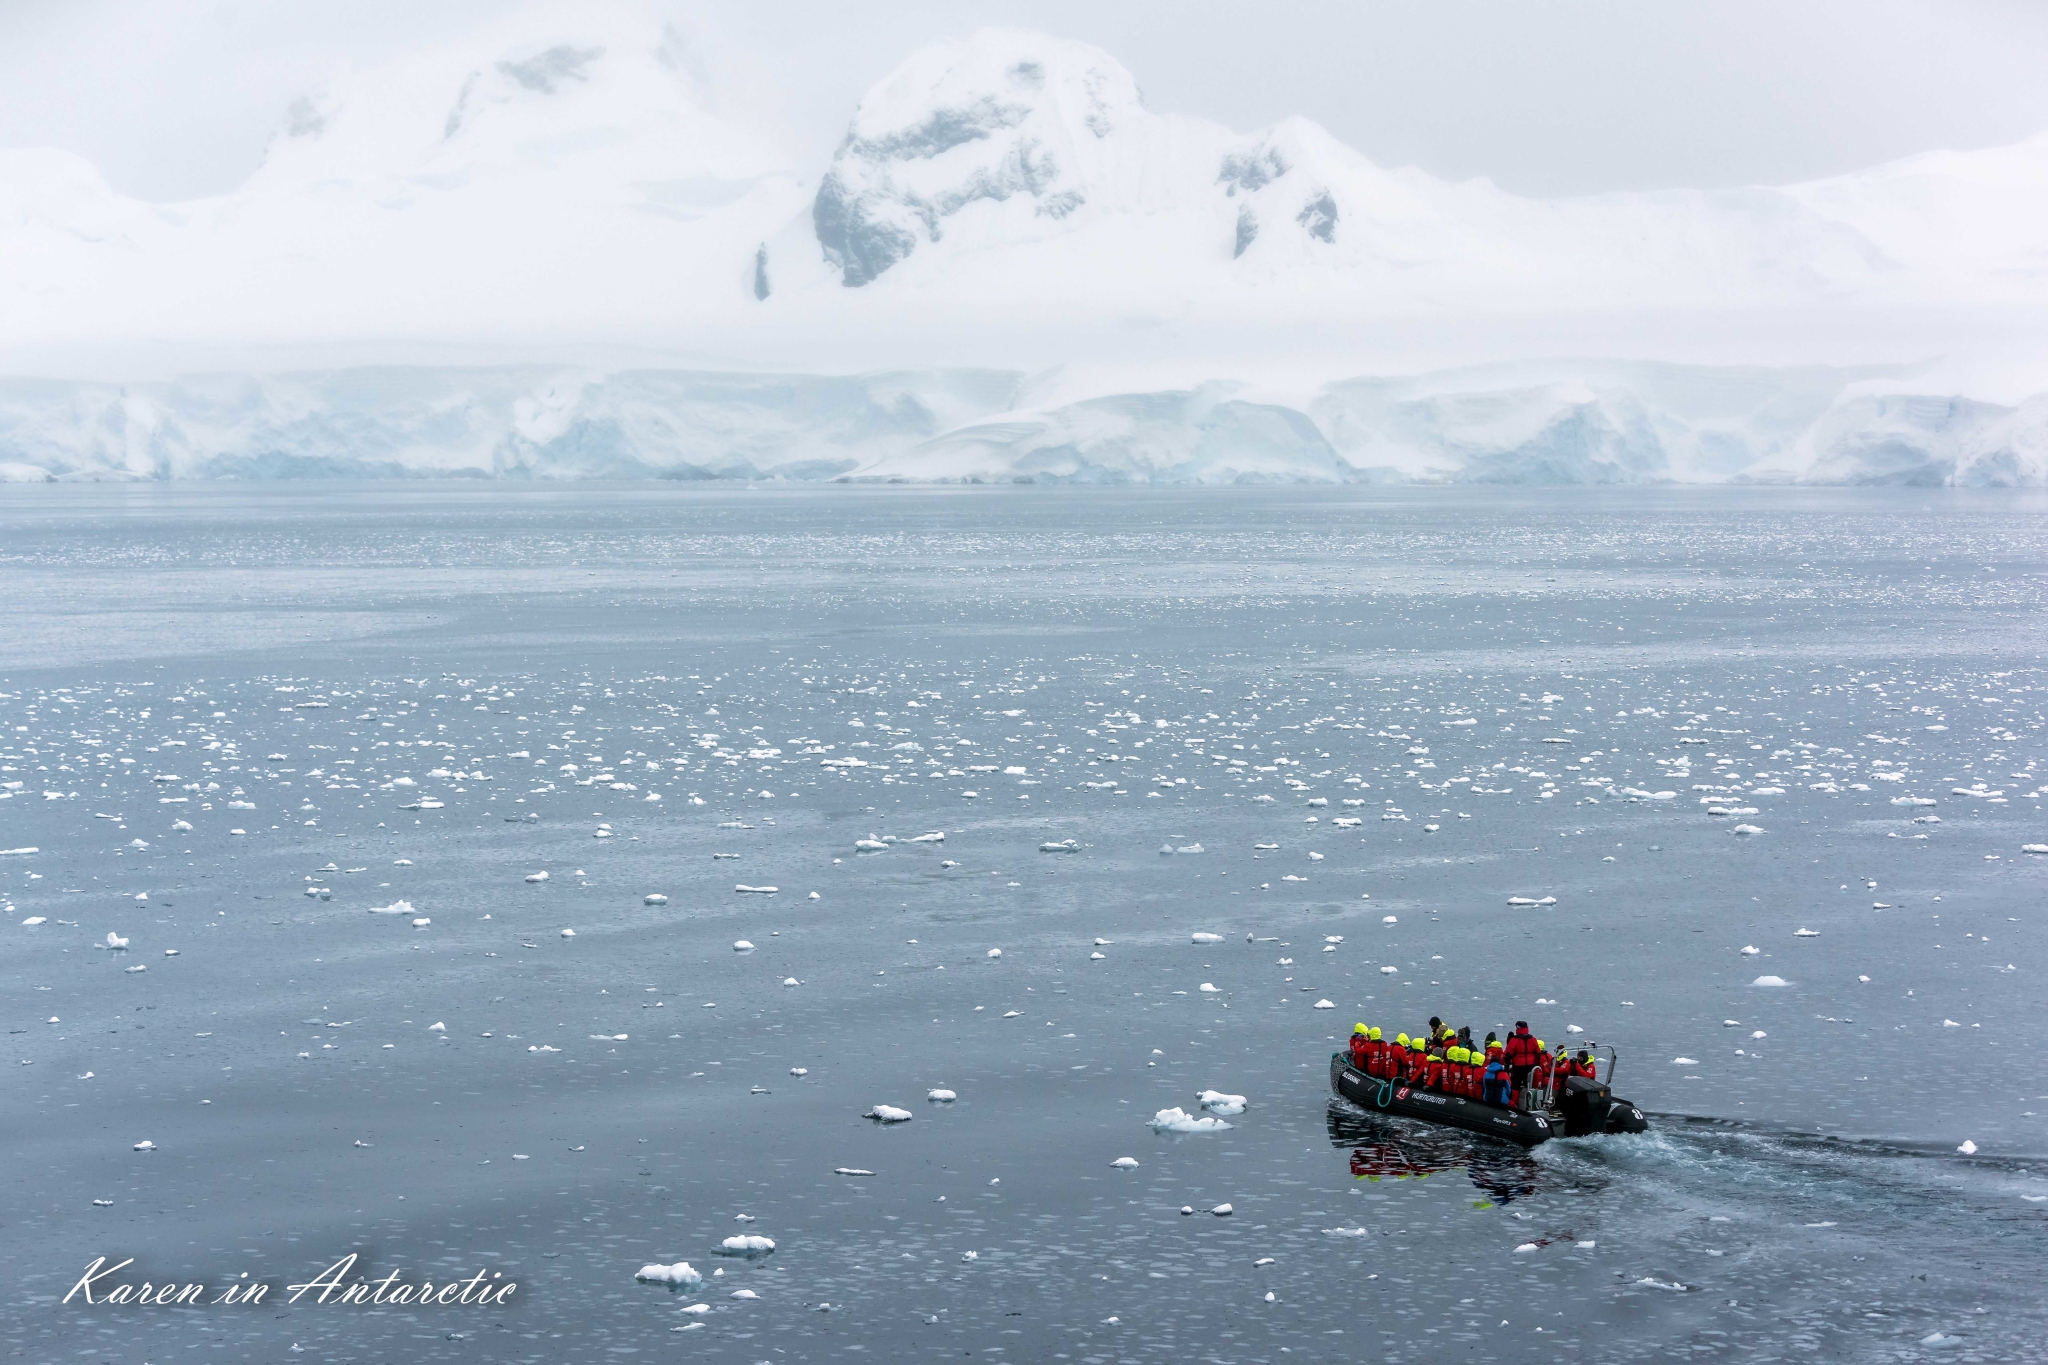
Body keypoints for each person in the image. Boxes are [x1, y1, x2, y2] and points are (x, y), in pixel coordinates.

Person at [1504, 1021, 1541, 1097]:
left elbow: (1508, 1053)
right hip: (1531, 1066)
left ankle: (1515, 1102)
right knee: (1529, 1084)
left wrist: (1507, 1064)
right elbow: (1538, 1052)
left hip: (1518, 1066)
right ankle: (1529, 1101)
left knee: (1515, 1085)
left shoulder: (1514, 1040)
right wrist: (1536, 1063)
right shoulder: (1533, 1039)